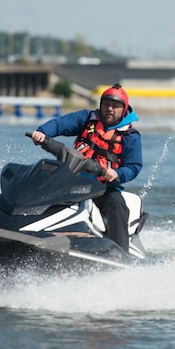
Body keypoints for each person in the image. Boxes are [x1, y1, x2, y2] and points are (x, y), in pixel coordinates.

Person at [30, 83, 142, 253]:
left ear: (124, 109)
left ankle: (121, 253)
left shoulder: (130, 136)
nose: (109, 109)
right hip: (73, 179)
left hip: (103, 188)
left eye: (115, 106)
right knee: (41, 182)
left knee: (117, 204)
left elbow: (134, 167)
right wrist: (43, 132)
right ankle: (22, 226)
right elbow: (62, 123)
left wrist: (117, 173)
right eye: (106, 104)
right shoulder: (87, 119)